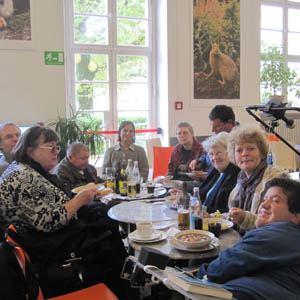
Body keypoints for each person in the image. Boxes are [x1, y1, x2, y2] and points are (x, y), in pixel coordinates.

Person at [0, 126, 136, 300]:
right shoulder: (24, 176)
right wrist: (79, 200)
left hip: (40, 238)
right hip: (43, 245)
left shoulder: (23, 169)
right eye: (51, 147)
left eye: (57, 147)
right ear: (30, 150)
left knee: (103, 211)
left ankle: (127, 281)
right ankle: (125, 286)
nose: (56, 152)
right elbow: (48, 222)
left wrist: (80, 199)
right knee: (106, 226)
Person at [197, 176, 300, 300]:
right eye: (265, 199)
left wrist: (200, 275)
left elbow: (229, 263)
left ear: (295, 216)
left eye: (276, 201)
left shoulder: (278, 233)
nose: (264, 205)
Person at [227, 125, 286, 232]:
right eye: (239, 150)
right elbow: (233, 216)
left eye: (251, 148)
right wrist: (213, 217)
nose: (245, 153)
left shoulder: (276, 180)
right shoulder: (241, 181)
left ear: (262, 152)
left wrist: (246, 218)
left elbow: (278, 223)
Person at [199, 132, 240, 214]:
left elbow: (228, 211)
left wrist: (203, 209)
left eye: (219, 153)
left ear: (230, 152)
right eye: (211, 154)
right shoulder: (216, 171)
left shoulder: (236, 174)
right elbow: (200, 195)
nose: (214, 157)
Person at [190, 105, 237, 172]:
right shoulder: (218, 136)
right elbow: (209, 153)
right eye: (212, 126)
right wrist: (199, 161)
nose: (213, 130)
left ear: (230, 122)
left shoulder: (240, 142)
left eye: (217, 126)